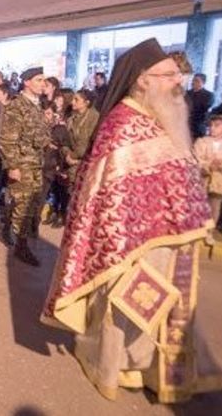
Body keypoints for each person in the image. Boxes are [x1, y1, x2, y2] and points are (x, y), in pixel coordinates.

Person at [42, 38, 221, 403]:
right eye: (168, 75)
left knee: (171, 309)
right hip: (131, 246)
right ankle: (117, 367)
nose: (178, 82)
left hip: (174, 241)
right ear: (143, 80)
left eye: (178, 74)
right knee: (125, 309)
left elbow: (177, 176)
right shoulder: (121, 123)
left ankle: (158, 372)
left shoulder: (164, 117)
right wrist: (132, 235)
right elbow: (108, 196)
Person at [0, 67, 48, 264]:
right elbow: (8, 139)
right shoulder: (17, 106)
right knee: (24, 204)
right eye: (38, 80)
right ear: (26, 82)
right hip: (22, 163)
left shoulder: (36, 106)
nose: (43, 84)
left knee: (30, 202)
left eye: (44, 80)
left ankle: (9, 225)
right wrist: (12, 166)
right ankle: (21, 245)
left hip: (36, 162)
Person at [62, 89, 99, 190]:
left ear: (86, 103)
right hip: (70, 161)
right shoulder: (72, 117)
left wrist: (73, 157)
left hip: (84, 164)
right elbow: (65, 139)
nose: (72, 102)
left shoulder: (93, 118)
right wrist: (67, 154)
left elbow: (85, 142)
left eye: (76, 100)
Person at [195, 114, 222, 235]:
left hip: (218, 184)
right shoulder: (202, 142)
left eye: (217, 125)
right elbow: (195, 160)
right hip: (202, 182)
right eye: (211, 125)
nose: (212, 128)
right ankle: (195, 231)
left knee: (214, 209)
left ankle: (209, 234)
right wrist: (209, 166)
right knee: (197, 207)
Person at [186, 73, 214, 139]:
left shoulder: (208, 95)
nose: (193, 82)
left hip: (198, 127)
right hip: (185, 126)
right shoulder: (187, 93)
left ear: (203, 82)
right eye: (193, 80)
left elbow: (203, 108)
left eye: (196, 80)